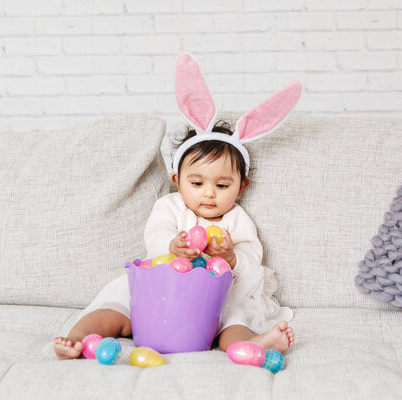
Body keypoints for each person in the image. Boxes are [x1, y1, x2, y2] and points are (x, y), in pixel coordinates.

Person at [54, 53, 301, 360]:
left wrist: (230, 257)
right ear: (177, 179)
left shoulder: (237, 219)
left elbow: (253, 257)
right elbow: (155, 236)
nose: (209, 194)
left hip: (213, 301)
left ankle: (250, 343)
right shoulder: (169, 206)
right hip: (161, 294)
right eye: (197, 183)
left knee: (236, 313)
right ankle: (78, 338)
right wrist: (172, 246)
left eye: (222, 186)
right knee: (118, 300)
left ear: (242, 187)